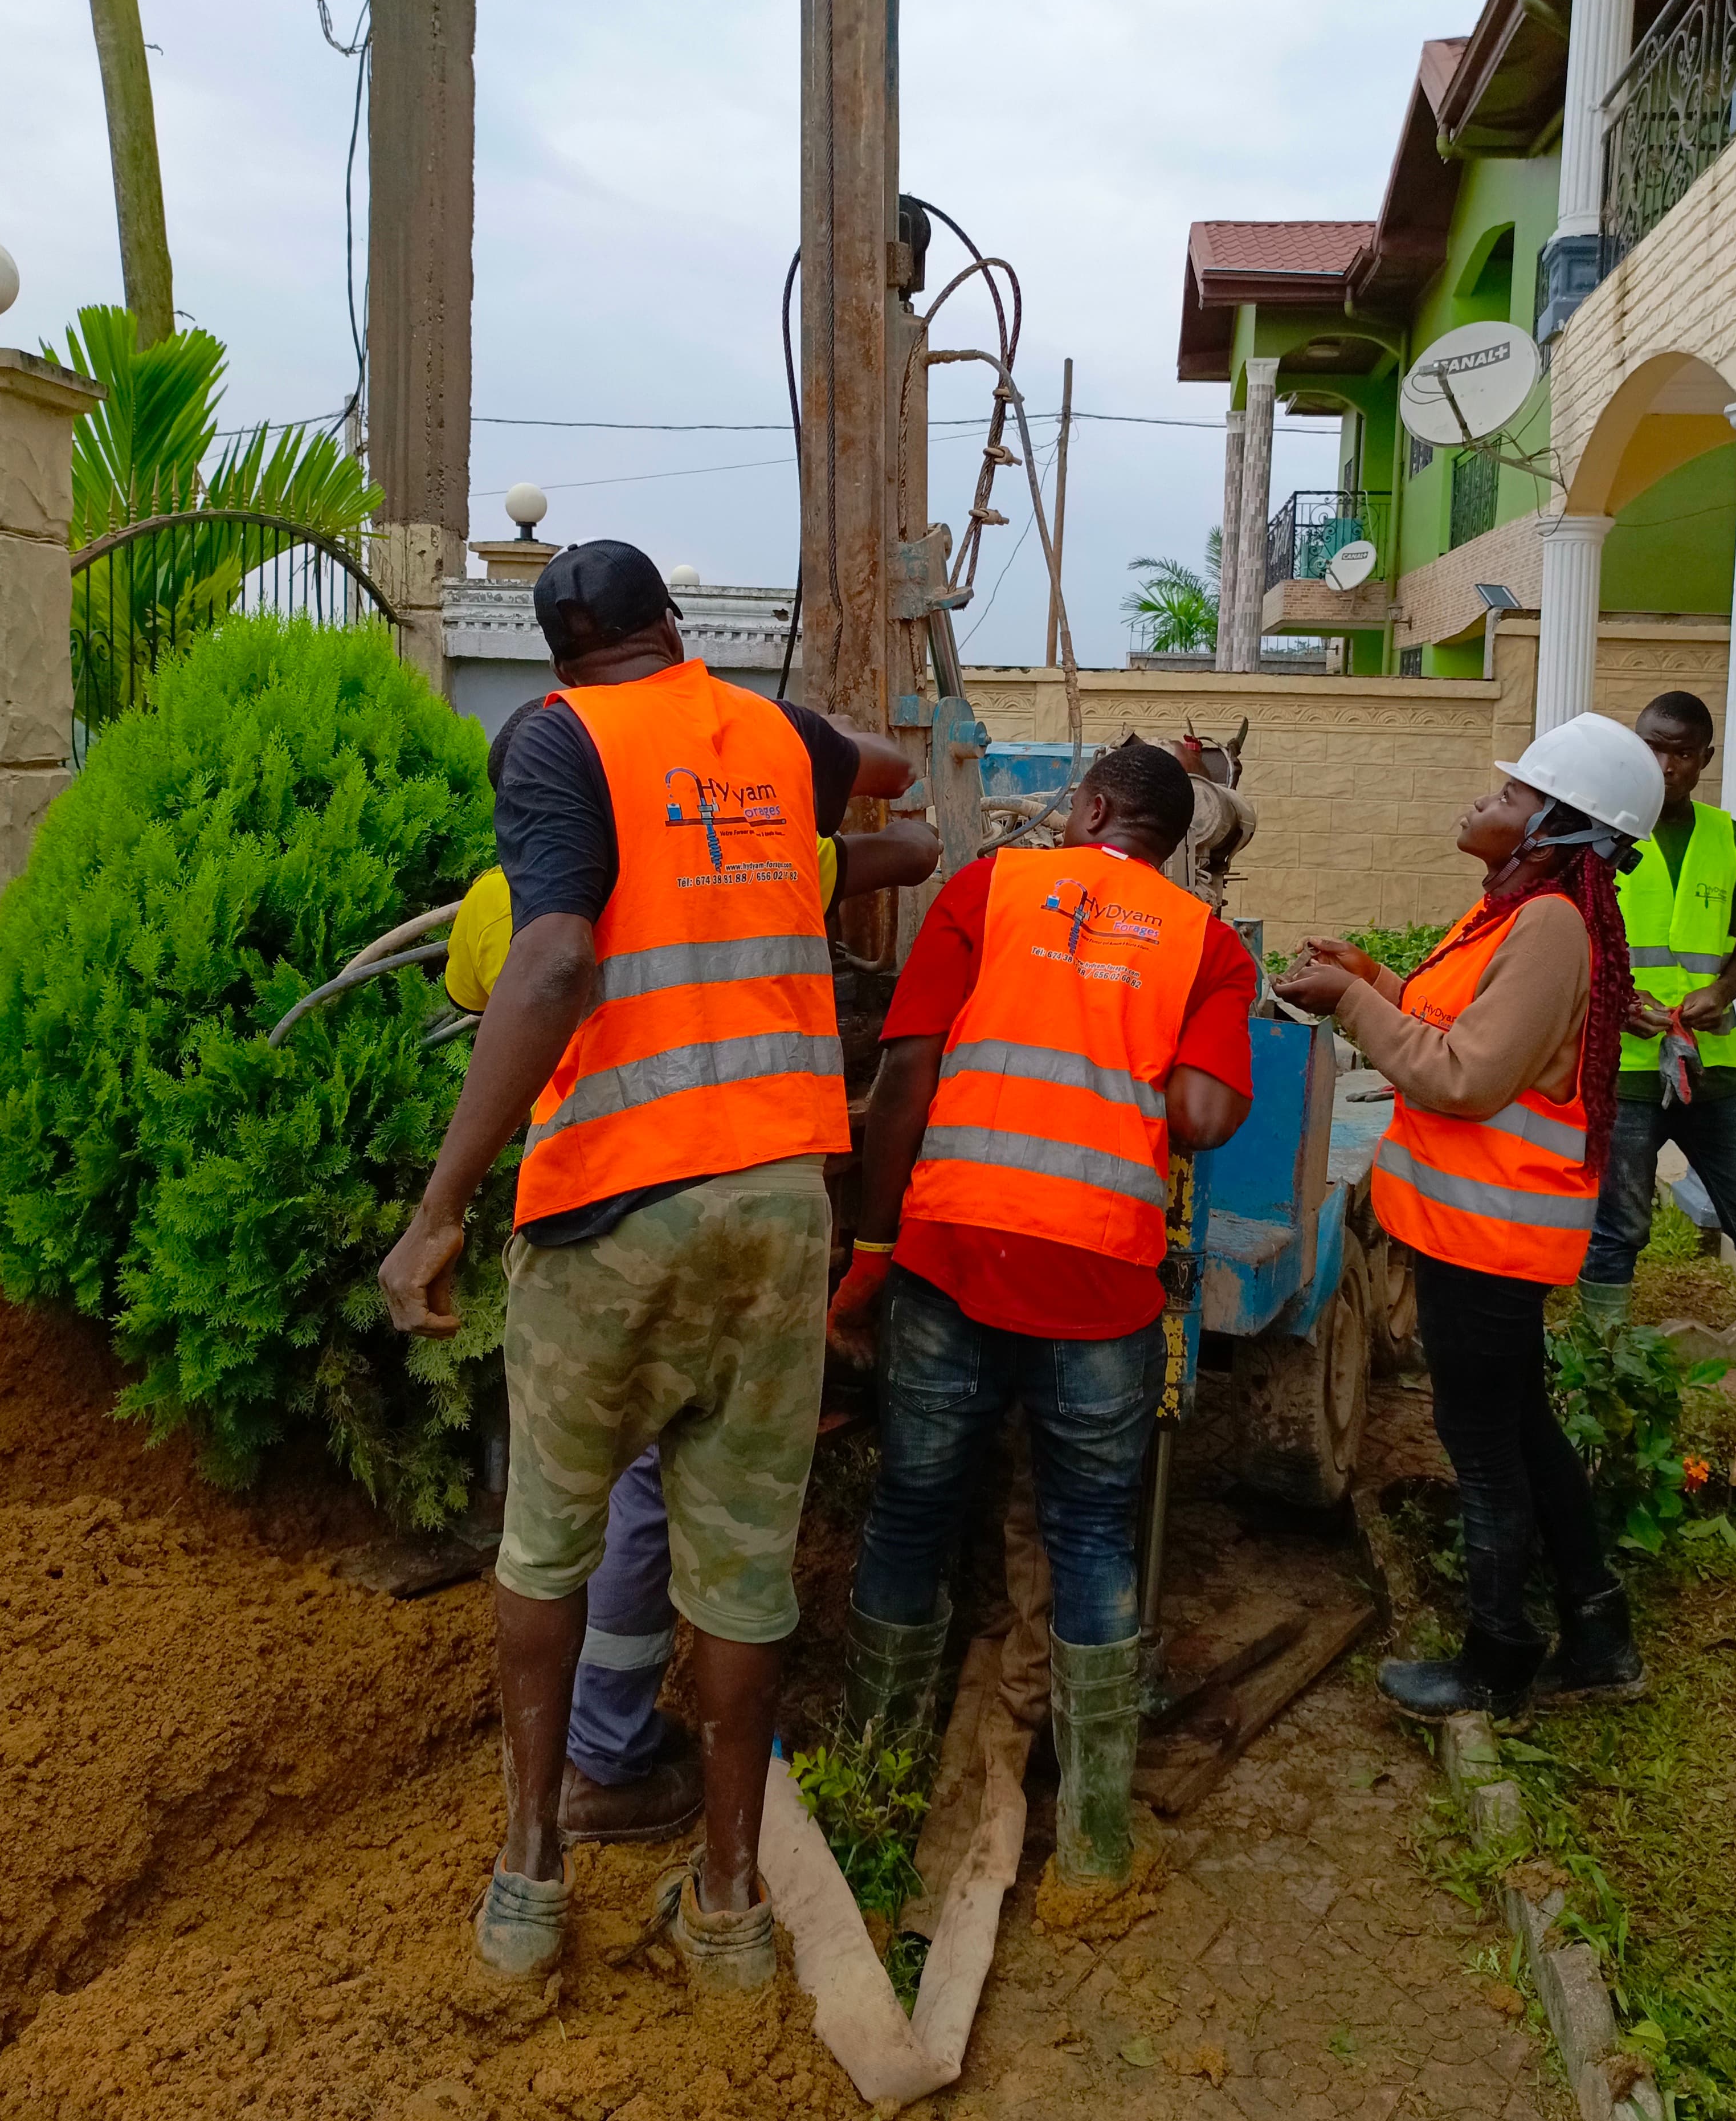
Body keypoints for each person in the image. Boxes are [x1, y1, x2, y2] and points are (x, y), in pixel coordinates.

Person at [379, 539, 915, 1987]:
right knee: (744, 1573)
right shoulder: (766, 733)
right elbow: (886, 777)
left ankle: (529, 1886)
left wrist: (440, 1206)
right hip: (781, 1207)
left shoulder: (554, 744)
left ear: (557, 654)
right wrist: (829, 752)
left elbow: (550, 962)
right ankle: (731, 1906)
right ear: (673, 626)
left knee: (547, 1540)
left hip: (616, 1211)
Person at [438, 707, 938, 1851]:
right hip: (759, 1232)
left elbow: (498, 993)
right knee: (720, 1536)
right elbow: (904, 841)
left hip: (601, 1239)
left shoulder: (497, 908)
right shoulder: (759, 857)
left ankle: (586, 1773)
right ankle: (725, 1867)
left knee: (585, 1516)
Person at [827, 739, 1256, 1886]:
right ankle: (1099, 1843)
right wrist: (1129, 1051)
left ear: (1093, 806)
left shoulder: (986, 890)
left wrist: (871, 1252)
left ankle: (865, 1788)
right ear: (1173, 840)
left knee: (915, 1508)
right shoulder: (1207, 947)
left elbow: (903, 1082)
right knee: (1088, 1536)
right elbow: (1209, 1115)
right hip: (1101, 1283)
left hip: (952, 1257)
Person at [1276, 712, 1665, 1722]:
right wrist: (1371, 977)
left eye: (1509, 795)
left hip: (1489, 1242)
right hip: (1474, 1235)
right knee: (1524, 1426)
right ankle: (1598, 1631)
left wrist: (1351, 1007)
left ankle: (1498, 1661)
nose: (1483, 801)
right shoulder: (1514, 911)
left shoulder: (1548, 927)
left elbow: (1461, 1075)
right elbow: (1455, 1021)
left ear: (1556, 829)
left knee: (1483, 1441)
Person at [1580, 690, 1736, 1363]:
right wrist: (1618, 998)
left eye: (1680, 753)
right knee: (1617, 1229)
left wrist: (1721, 989)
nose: (1663, 765)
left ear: (1703, 759)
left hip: (1714, 1069)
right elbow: (1574, 941)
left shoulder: (1727, 837)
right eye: (1651, 747)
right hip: (1627, 1068)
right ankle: (1602, 1378)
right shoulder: (1601, 833)